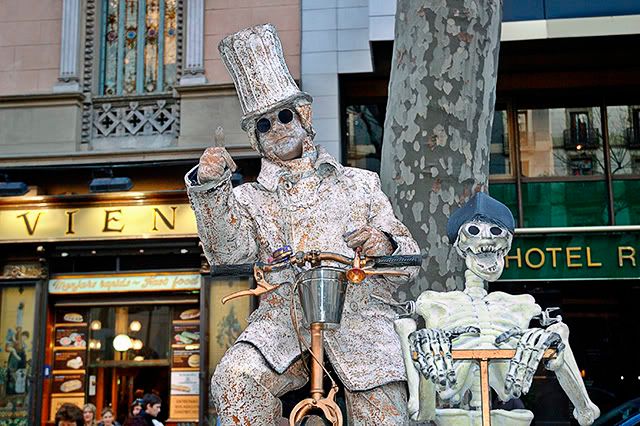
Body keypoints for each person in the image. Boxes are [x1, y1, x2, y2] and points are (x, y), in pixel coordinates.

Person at [186, 24, 419, 425]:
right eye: (263, 124)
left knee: (384, 408)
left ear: (304, 116)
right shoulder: (248, 197)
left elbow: (407, 259)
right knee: (234, 381)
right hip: (281, 324)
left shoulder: (358, 183)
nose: (276, 128)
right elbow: (227, 255)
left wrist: (382, 243)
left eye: (283, 115)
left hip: (360, 321)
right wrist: (210, 188)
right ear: (255, 139)